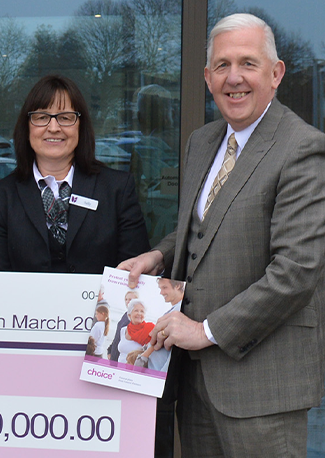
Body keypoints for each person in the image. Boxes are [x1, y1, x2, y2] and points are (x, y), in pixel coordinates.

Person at [118, 13, 325, 458]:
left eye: (248, 63)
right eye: (223, 65)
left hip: (261, 386)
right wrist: (158, 254)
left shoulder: (302, 147)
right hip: (195, 381)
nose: (235, 78)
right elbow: (201, 228)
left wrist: (206, 330)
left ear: (276, 73)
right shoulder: (203, 140)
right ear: (207, 77)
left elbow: (296, 271)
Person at [0, 74, 149, 273]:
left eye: (65, 118)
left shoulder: (118, 189)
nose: (53, 128)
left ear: (81, 126)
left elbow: (135, 277)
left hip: (100, 305)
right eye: (42, 117)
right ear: (27, 127)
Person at [117, 299, 154, 364]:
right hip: (119, 367)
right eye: (136, 310)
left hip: (136, 369)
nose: (139, 313)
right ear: (129, 315)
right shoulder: (123, 330)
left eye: (142, 311)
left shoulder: (150, 330)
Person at [107, 290, 139, 361]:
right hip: (114, 353)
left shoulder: (136, 318)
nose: (127, 301)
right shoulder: (126, 314)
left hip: (122, 357)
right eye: (126, 299)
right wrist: (110, 349)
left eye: (130, 299)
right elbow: (118, 335)